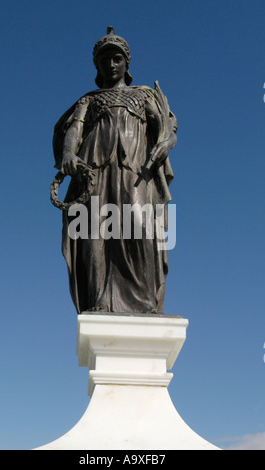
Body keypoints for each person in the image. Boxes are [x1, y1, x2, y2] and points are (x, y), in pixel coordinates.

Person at [52, 27, 178, 315]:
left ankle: (145, 301)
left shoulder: (144, 96)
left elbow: (168, 130)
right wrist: (69, 153)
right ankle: (98, 300)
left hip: (135, 171)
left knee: (140, 226)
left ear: (126, 63)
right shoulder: (89, 99)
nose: (111, 64)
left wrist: (165, 145)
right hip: (93, 171)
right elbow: (75, 128)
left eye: (117, 59)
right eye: (105, 60)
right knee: (93, 230)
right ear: (97, 65)